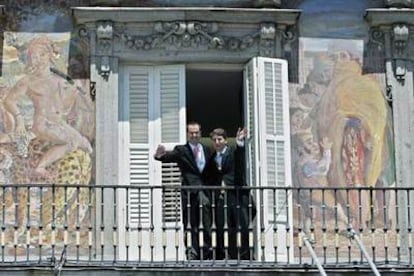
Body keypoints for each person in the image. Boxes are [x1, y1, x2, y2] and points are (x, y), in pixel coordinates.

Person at [3, 36, 93, 177]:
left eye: (42, 55)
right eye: (34, 56)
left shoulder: (58, 80)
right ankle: (40, 167)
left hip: (59, 123)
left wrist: (75, 91)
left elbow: (63, 108)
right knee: (70, 142)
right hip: (43, 124)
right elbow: (9, 100)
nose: (38, 59)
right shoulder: (28, 81)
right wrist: (19, 119)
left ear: (50, 55)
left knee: (87, 145)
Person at [154, 121, 212, 260]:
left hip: (204, 190)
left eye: (196, 132)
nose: (194, 135)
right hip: (189, 192)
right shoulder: (181, 150)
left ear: (200, 133)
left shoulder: (206, 149)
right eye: (191, 133)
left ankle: (207, 249)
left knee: (206, 221)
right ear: (187, 134)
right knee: (190, 223)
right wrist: (159, 155)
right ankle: (192, 251)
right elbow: (167, 157)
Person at [206, 127, 253, 260]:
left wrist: (239, 142)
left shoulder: (233, 153)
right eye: (214, 140)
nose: (217, 142)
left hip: (236, 196)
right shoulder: (212, 158)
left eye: (219, 139)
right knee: (221, 227)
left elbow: (240, 158)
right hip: (220, 198)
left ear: (226, 141)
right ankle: (223, 254)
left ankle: (245, 256)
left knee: (241, 226)